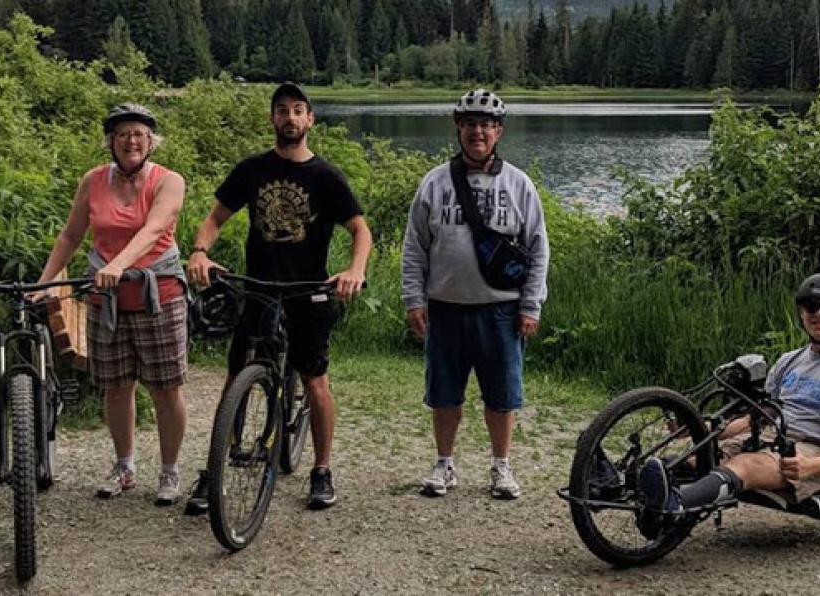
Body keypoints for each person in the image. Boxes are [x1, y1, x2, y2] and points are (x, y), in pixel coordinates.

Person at [186, 83, 371, 512]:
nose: (290, 117)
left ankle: (321, 470)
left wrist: (354, 270)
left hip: (308, 291)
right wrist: (199, 251)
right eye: (282, 110)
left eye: (298, 110)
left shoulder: (325, 176)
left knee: (315, 380)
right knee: (236, 377)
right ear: (273, 119)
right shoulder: (252, 170)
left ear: (310, 121)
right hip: (259, 287)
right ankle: (217, 466)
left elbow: (360, 230)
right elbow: (215, 217)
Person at [637, 272, 820, 537]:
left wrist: (811, 466)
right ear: (802, 312)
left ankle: (675, 506)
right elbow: (754, 419)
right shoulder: (790, 361)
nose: (819, 314)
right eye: (811, 307)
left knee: (745, 465)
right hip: (773, 436)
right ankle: (613, 480)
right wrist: (701, 427)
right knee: (699, 458)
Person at [33, 103, 189, 505]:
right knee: (116, 386)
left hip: (159, 296)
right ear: (111, 142)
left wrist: (119, 265)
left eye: (138, 134)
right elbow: (70, 236)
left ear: (151, 141)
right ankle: (124, 466)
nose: (131, 141)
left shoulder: (169, 181)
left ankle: (170, 471)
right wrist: (45, 282)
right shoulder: (93, 181)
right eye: (122, 135)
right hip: (107, 299)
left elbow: (154, 230)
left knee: (165, 387)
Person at [401, 88, 550, 500]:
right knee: (444, 392)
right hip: (445, 308)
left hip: (501, 311)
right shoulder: (434, 182)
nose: (477, 132)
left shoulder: (519, 184)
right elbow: (414, 246)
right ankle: (444, 464)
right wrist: (413, 299)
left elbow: (538, 247)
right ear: (458, 128)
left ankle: (501, 467)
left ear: (498, 131)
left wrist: (530, 305)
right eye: (470, 124)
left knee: (502, 395)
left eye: (486, 125)